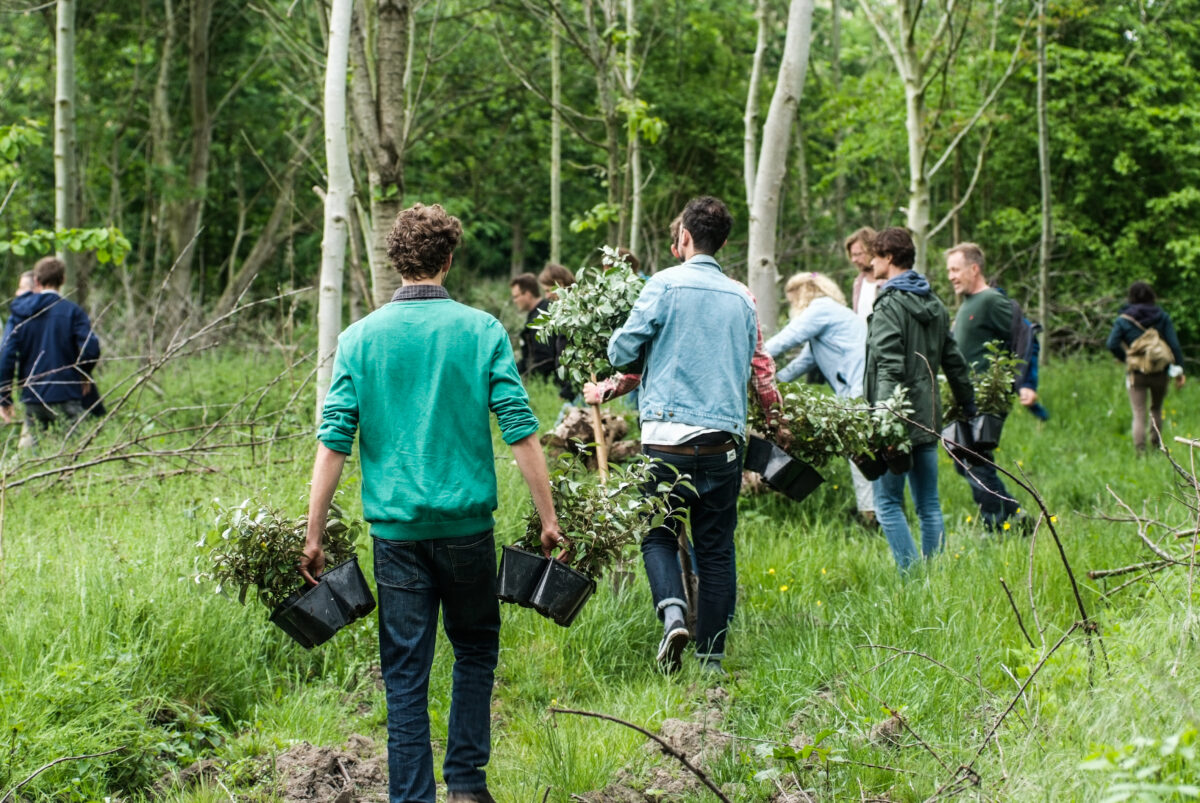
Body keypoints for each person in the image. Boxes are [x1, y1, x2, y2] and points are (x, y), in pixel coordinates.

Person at [301, 203, 562, 803]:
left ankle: (412, 797)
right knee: (475, 646)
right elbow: (520, 429)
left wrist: (313, 535)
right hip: (467, 528)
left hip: (396, 535)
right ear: (449, 260)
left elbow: (333, 440)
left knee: (404, 670)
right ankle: (467, 782)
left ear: (399, 262)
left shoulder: (359, 338)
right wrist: (548, 520)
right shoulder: (481, 330)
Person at [587, 197, 784, 676]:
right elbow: (762, 370)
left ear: (686, 238)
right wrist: (776, 420)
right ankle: (711, 661)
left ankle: (673, 613)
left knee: (658, 533)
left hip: (666, 442)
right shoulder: (743, 297)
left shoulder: (663, 285)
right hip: (722, 444)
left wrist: (614, 365)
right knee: (716, 550)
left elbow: (624, 351)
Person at [865, 228, 974, 571]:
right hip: (927, 418)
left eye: (875, 256)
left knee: (887, 504)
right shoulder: (935, 303)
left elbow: (889, 367)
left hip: (895, 422)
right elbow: (954, 361)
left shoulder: (889, 304)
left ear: (890, 259)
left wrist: (883, 419)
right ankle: (936, 578)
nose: (871, 263)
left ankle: (912, 579)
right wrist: (967, 404)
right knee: (929, 504)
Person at [763, 272, 875, 527]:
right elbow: (802, 363)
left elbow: (784, 340)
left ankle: (871, 517)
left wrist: (754, 359)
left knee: (860, 454)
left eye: (792, 300)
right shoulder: (833, 314)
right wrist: (769, 384)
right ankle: (873, 512)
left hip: (857, 391)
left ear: (802, 294)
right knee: (864, 454)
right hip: (859, 388)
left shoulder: (820, 309)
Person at [945, 242, 1025, 530]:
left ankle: (1003, 520)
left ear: (974, 268)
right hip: (965, 396)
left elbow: (1023, 333)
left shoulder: (991, 300)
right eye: (949, 271)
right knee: (964, 457)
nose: (951, 276)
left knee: (973, 458)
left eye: (955, 269)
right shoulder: (967, 304)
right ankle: (1011, 515)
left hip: (987, 396)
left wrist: (1022, 382)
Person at [0, 257, 101, 434]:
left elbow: (6, 353)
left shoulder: (19, 314)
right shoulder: (73, 311)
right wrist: (84, 373)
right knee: (74, 454)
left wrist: (5, 397)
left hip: (32, 396)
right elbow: (91, 348)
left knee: (34, 456)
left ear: (37, 281)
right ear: (63, 280)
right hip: (67, 393)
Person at [1106, 281, 1186, 453]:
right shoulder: (1162, 317)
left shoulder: (1123, 320)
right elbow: (1174, 345)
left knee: (1139, 412)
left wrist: (1126, 358)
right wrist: (1180, 371)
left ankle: (1140, 452)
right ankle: (1156, 447)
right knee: (1156, 408)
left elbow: (1111, 344)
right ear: (1151, 296)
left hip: (1136, 373)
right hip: (1160, 371)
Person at [509, 273, 556, 378]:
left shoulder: (540, 318)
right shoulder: (543, 309)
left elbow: (543, 359)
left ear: (528, 294)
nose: (514, 301)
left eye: (516, 296)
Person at [846, 227, 878, 320]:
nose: (853, 260)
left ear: (872, 251)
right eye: (852, 255)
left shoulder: (889, 282)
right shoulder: (858, 283)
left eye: (858, 254)